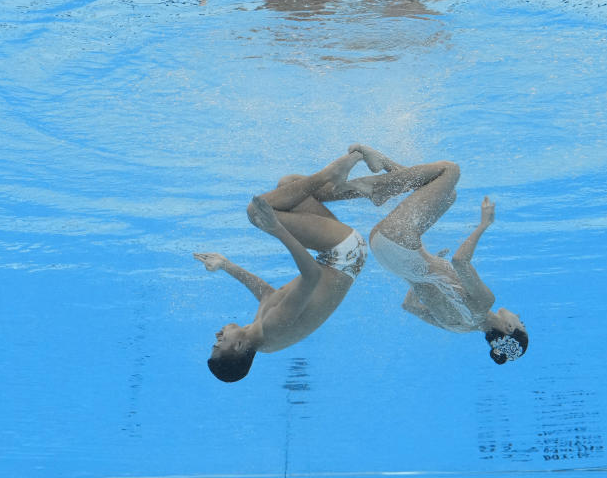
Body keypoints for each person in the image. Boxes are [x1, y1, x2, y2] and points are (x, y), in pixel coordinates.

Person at [337, 144, 528, 364]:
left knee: (450, 171)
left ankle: (381, 189)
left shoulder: (485, 302)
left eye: (521, 324)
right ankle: (383, 180)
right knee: (447, 195)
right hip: (387, 255)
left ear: (509, 328)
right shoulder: (458, 327)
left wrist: (483, 224)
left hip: (399, 243)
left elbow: (460, 261)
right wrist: (427, 271)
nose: (519, 319)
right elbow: (409, 306)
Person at [194, 151, 368, 382]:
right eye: (218, 344)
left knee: (289, 186)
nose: (216, 337)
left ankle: (371, 190)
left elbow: (267, 293)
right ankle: (332, 173)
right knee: (256, 213)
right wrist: (276, 229)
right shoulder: (273, 328)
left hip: (339, 255)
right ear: (238, 345)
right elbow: (312, 275)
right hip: (343, 253)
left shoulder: (259, 334)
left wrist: (226, 265)